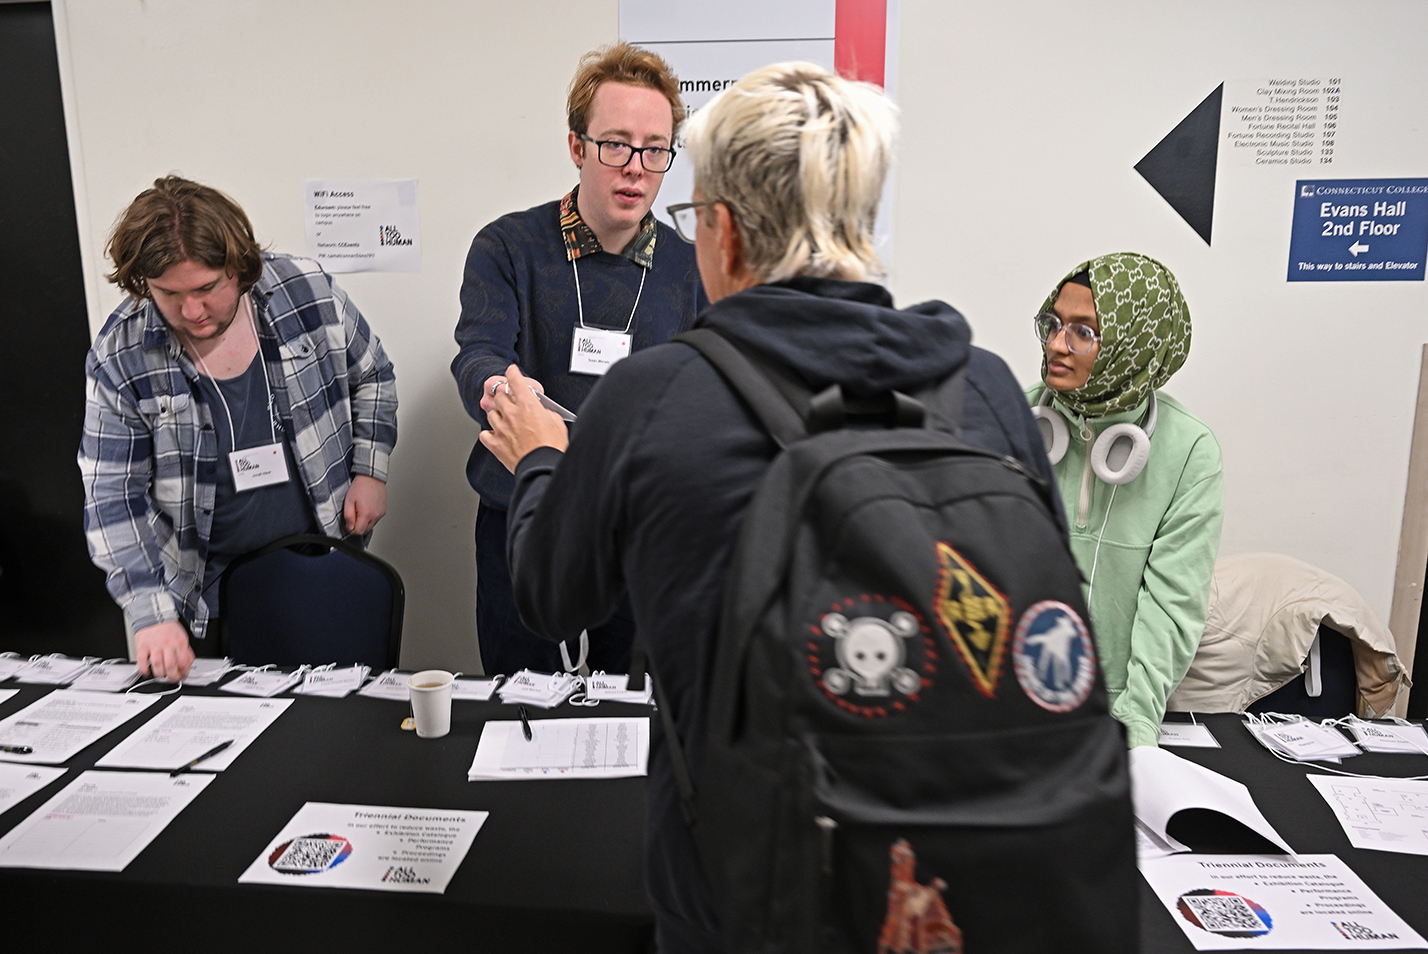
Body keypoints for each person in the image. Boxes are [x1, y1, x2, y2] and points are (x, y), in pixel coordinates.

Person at [478, 62, 1060, 954]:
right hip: (952, 871)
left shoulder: (657, 395)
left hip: (738, 883)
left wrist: (544, 462)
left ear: (724, 234)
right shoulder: (980, 383)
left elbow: (552, 597)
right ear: (857, 223)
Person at [452, 42, 706, 677]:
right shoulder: (508, 246)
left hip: (640, 526)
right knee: (519, 702)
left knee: (634, 711)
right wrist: (502, 392)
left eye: (654, 149)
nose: (636, 168)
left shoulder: (693, 268)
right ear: (577, 146)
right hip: (521, 513)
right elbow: (479, 352)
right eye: (615, 144)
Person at [79, 176, 397, 682]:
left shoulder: (303, 291)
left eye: (207, 288)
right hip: (202, 596)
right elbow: (111, 495)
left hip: (322, 561)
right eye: (169, 294)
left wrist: (370, 472)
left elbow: (373, 374)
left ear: (240, 268)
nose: (192, 312)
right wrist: (150, 613)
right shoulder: (123, 353)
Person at [1026, 253, 1223, 747]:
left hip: (1113, 709)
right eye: (1053, 324)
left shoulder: (1189, 452)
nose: (1056, 344)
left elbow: (1171, 605)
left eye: (1083, 332)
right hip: (1006, 701)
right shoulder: (1013, 414)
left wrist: (1134, 731)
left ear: (1133, 345)